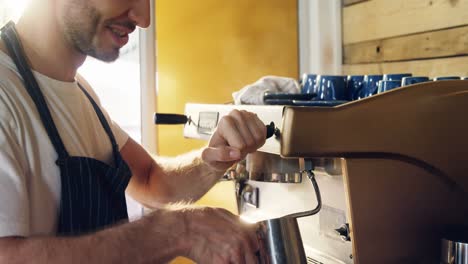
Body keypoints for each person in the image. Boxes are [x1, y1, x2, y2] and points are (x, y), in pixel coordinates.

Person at [0, 0, 268, 263]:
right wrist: (178, 230)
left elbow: (152, 181)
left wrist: (216, 158)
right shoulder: (5, 92)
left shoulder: (79, 90)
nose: (143, 18)